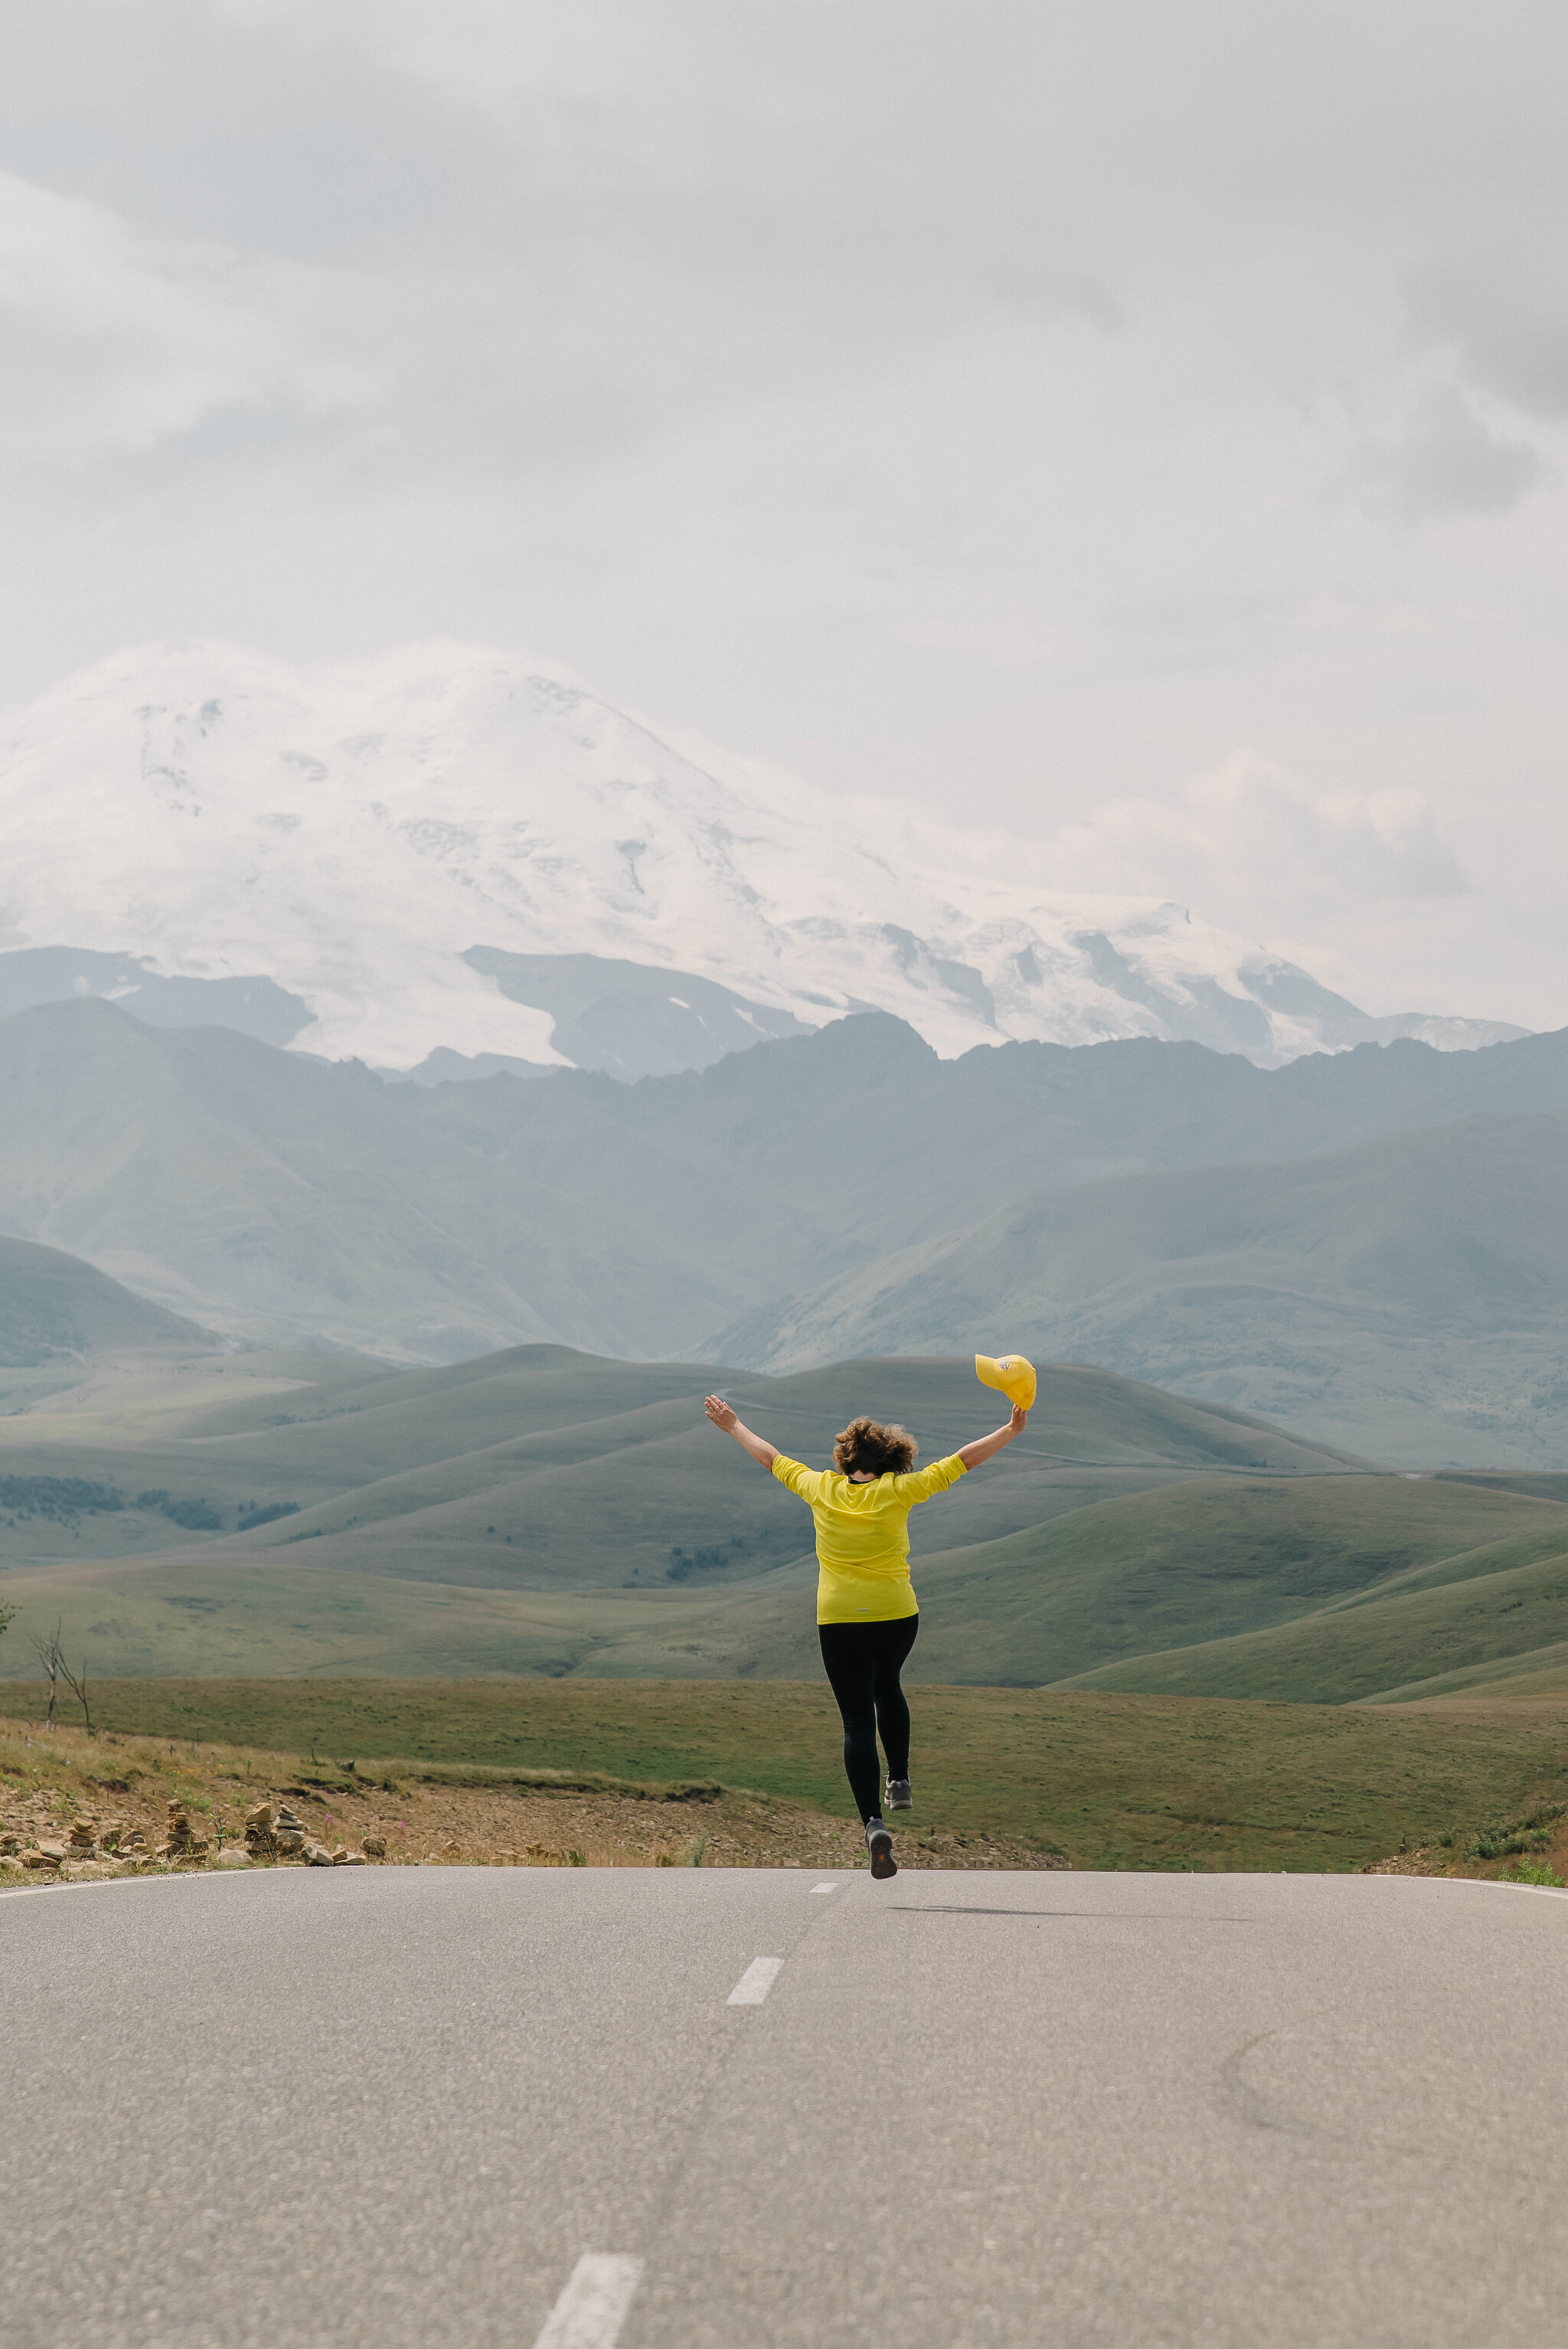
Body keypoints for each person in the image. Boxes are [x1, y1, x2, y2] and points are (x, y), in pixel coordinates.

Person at [701, 1392, 1027, 1878]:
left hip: (838, 1621)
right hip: (896, 1614)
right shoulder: (900, 1491)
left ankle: (873, 1823)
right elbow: (961, 1462)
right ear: (892, 1460)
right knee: (888, 1686)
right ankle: (899, 1779)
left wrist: (732, 1425)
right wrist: (1010, 1431)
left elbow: (770, 1457)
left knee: (856, 1722)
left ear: (845, 1461)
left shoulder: (820, 1489)